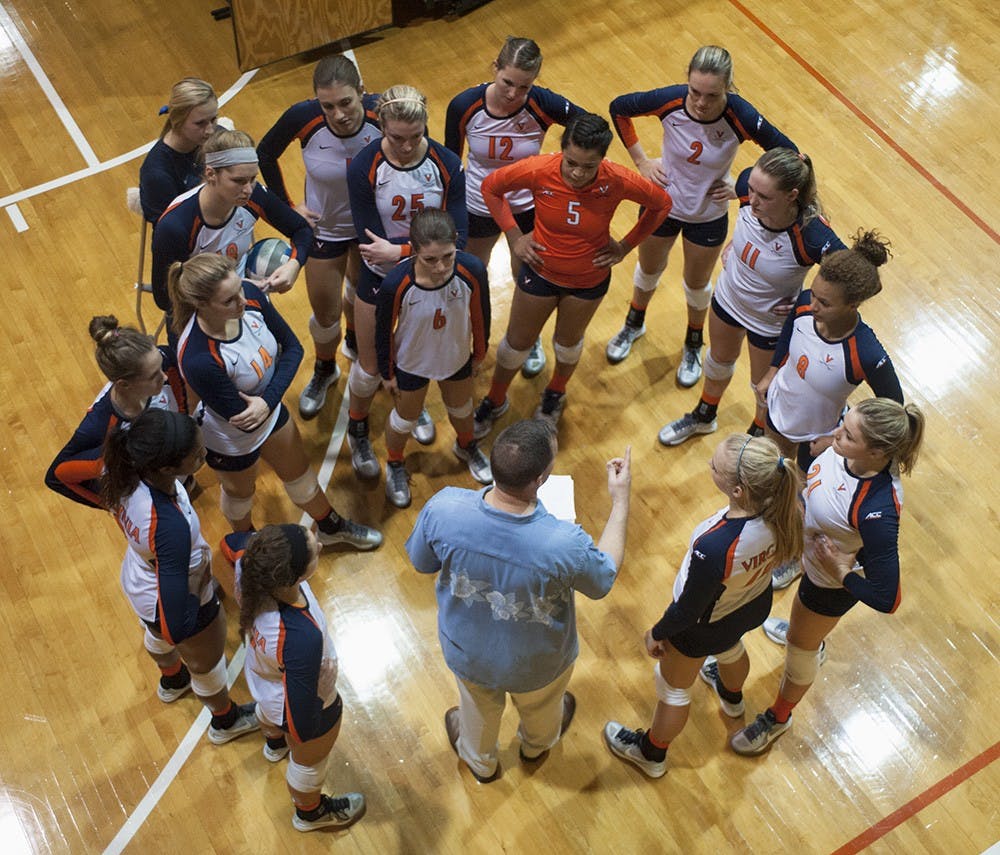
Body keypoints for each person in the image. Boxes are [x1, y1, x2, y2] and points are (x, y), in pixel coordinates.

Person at [405, 419, 631, 783]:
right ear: (541, 479)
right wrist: (620, 500)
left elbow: (420, 562)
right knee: (543, 708)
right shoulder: (564, 543)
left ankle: (480, 763)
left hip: (468, 651)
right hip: (538, 661)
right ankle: (536, 747)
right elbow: (602, 579)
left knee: (476, 708)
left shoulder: (443, 508)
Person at [729, 398, 925, 756]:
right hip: (809, 558)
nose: (836, 433)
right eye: (843, 423)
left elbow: (888, 597)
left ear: (877, 452)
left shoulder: (877, 510)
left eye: (847, 434)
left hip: (829, 586)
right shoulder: (845, 451)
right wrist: (827, 448)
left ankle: (778, 717)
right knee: (801, 632)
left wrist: (841, 571)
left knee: (797, 651)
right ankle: (813, 641)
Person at [603, 434, 802, 777]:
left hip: (703, 626)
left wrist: (658, 632)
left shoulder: (716, 547)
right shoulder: (782, 507)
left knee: (673, 690)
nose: (709, 466)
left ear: (738, 490)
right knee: (729, 648)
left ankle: (651, 752)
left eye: (715, 467)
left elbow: (688, 611)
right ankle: (731, 694)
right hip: (749, 606)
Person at [605, 45, 796, 387]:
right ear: (687, 83)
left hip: (706, 215)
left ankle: (693, 342)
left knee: (695, 284)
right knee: (649, 270)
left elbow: (789, 154)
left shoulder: (739, 115)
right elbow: (619, 108)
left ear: (728, 89)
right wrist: (641, 161)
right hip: (660, 205)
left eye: (712, 94)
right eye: (694, 91)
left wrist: (743, 187)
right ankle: (635, 322)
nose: (701, 102)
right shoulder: (670, 100)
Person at [471, 113, 672, 434]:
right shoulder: (540, 169)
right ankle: (495, 399)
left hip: (587, 281)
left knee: (567, 344)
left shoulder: (617, 179)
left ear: (602, 160)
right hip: (539, 272)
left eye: (588, 166)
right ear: (562, 151)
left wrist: (625, 246)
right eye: (571, 163)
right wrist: (513, 236)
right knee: (516, 344)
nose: (578, 173)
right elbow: (491, 187)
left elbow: (661, 204)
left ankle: (555, 394)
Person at [169, 253, 382, 549]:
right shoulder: (198, 358)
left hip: (268, 410)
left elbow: (293, 348)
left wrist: (267, 402)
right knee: (240, 494)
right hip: (230, 439)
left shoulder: (251, 296)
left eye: (239, 290)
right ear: (201, 305)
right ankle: (249, 546)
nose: (242, 301)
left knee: (301, 475)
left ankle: (331, 527)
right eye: (229, 301)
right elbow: (243, 418)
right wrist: (268, 400)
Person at [656, 149, 844, 447]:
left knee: (763, 387)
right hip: (728, 299)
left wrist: (807, 302)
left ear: (791, 196)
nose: (751, 199)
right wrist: (737, 243)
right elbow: (746, 212)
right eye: (751, 190)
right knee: (717, 361)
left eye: (764, 197)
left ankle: (757, 433)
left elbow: (854, 276)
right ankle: (705, 415)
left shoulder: (811, 234)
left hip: (768, 323)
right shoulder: (745, 187)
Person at [102, 408, 259, 743]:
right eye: (197, 455)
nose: (204, 455)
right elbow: (177, 626)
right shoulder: (168, 526)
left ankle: (173, 679)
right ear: (166, 467)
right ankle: (225, 721)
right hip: (169, 594)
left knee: (155, 634)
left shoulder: (125, 469)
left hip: (140, 579)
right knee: (206, 665)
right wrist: (196, 587)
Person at [755, 230, 902, 590]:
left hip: (816, 438)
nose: (814, 305)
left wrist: (836, 439)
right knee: (775, 480)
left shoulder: (865, 352)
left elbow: (894, 410)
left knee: (804, 502)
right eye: (815, 295)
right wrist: (773, 371)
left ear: (852, 305)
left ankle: (791, 559)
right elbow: (791, 326)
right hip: (779, 410)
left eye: (826, 302)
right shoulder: (806, 303)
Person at [345, 85, 468, 480]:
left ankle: (412, 407)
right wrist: (409, 254)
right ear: (380, 126)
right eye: (396, 138)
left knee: (418, 356)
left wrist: (400, 253)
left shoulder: (446, 162)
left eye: (416, 137)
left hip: (428, 279)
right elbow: (368, 242)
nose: (405, 146)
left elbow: (460, 235)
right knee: (368, 367)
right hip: (381, 279)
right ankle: (357, 427)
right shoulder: (364, 166)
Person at [445, 36, 584, 380]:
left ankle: (528, 337)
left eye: (524, 87)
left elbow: (590, 127)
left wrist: (562, 167)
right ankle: (473, 339)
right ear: (495, 68)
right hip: (478, 207)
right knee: (471, 275)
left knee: (528, 276)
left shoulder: (541, 104)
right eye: (507, 82)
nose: (513, 94)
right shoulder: (464, 105)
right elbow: (450, 160)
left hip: (526, 207)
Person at [257, 55, 382, 419]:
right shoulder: (303, 116)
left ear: (362, 91)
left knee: (360, 296)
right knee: (324, 312)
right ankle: (326, 368)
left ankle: (358, 343)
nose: (338, 114)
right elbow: (265, 153)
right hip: (324, 231)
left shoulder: (382, 111)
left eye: (346, 102)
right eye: (328, 105)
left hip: (370, 230)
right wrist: (287, 206)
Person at [227, 525, 365, 832]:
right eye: (312, 548)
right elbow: (302, 725)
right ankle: (310, 813)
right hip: (296, 701)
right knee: (308, 763)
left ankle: (274, 746)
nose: (318, 543)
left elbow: (228, 544)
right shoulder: (300, 637)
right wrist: (321, 701)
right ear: (294, 576)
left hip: (265, 680)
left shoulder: (249, 567)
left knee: (270, 714)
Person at [375, 209, 492, 508]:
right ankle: (396, 463)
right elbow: (383, 331)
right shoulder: (396, 284)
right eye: (430, 259)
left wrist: (479, 352)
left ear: (456, 244)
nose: (440, 267)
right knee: (404, 420)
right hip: (412, 362)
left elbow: (481, 314)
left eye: (448, 256)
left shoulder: (472, 270)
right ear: (413, 251)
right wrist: (387, 373)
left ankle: (467, 446)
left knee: (462, 409)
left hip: (454, 357)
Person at [151, 129, 312, 314]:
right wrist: (229, 293)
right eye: (239, 181)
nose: (248, 189)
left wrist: (294, 265)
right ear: (211, 174)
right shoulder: (176, 226)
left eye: (252, 179)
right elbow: (165, 298)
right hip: (198, 311)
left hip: (241, 298)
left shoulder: (254, 195)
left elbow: (301, 229)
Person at [45, 315, 186, 508]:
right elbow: (57, 476)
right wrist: (114, 505)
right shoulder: (99, 426)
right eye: (153, 376)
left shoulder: (163, 358)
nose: (164, 376)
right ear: (124, 384)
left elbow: (182, 404)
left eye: (160, 367)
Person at [139, 78, 218, 224]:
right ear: (178, 121)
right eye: (200, 123)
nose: (210, 130)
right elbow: (169, 235)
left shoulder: (216, 138)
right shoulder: (157, 174)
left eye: (213, 119)